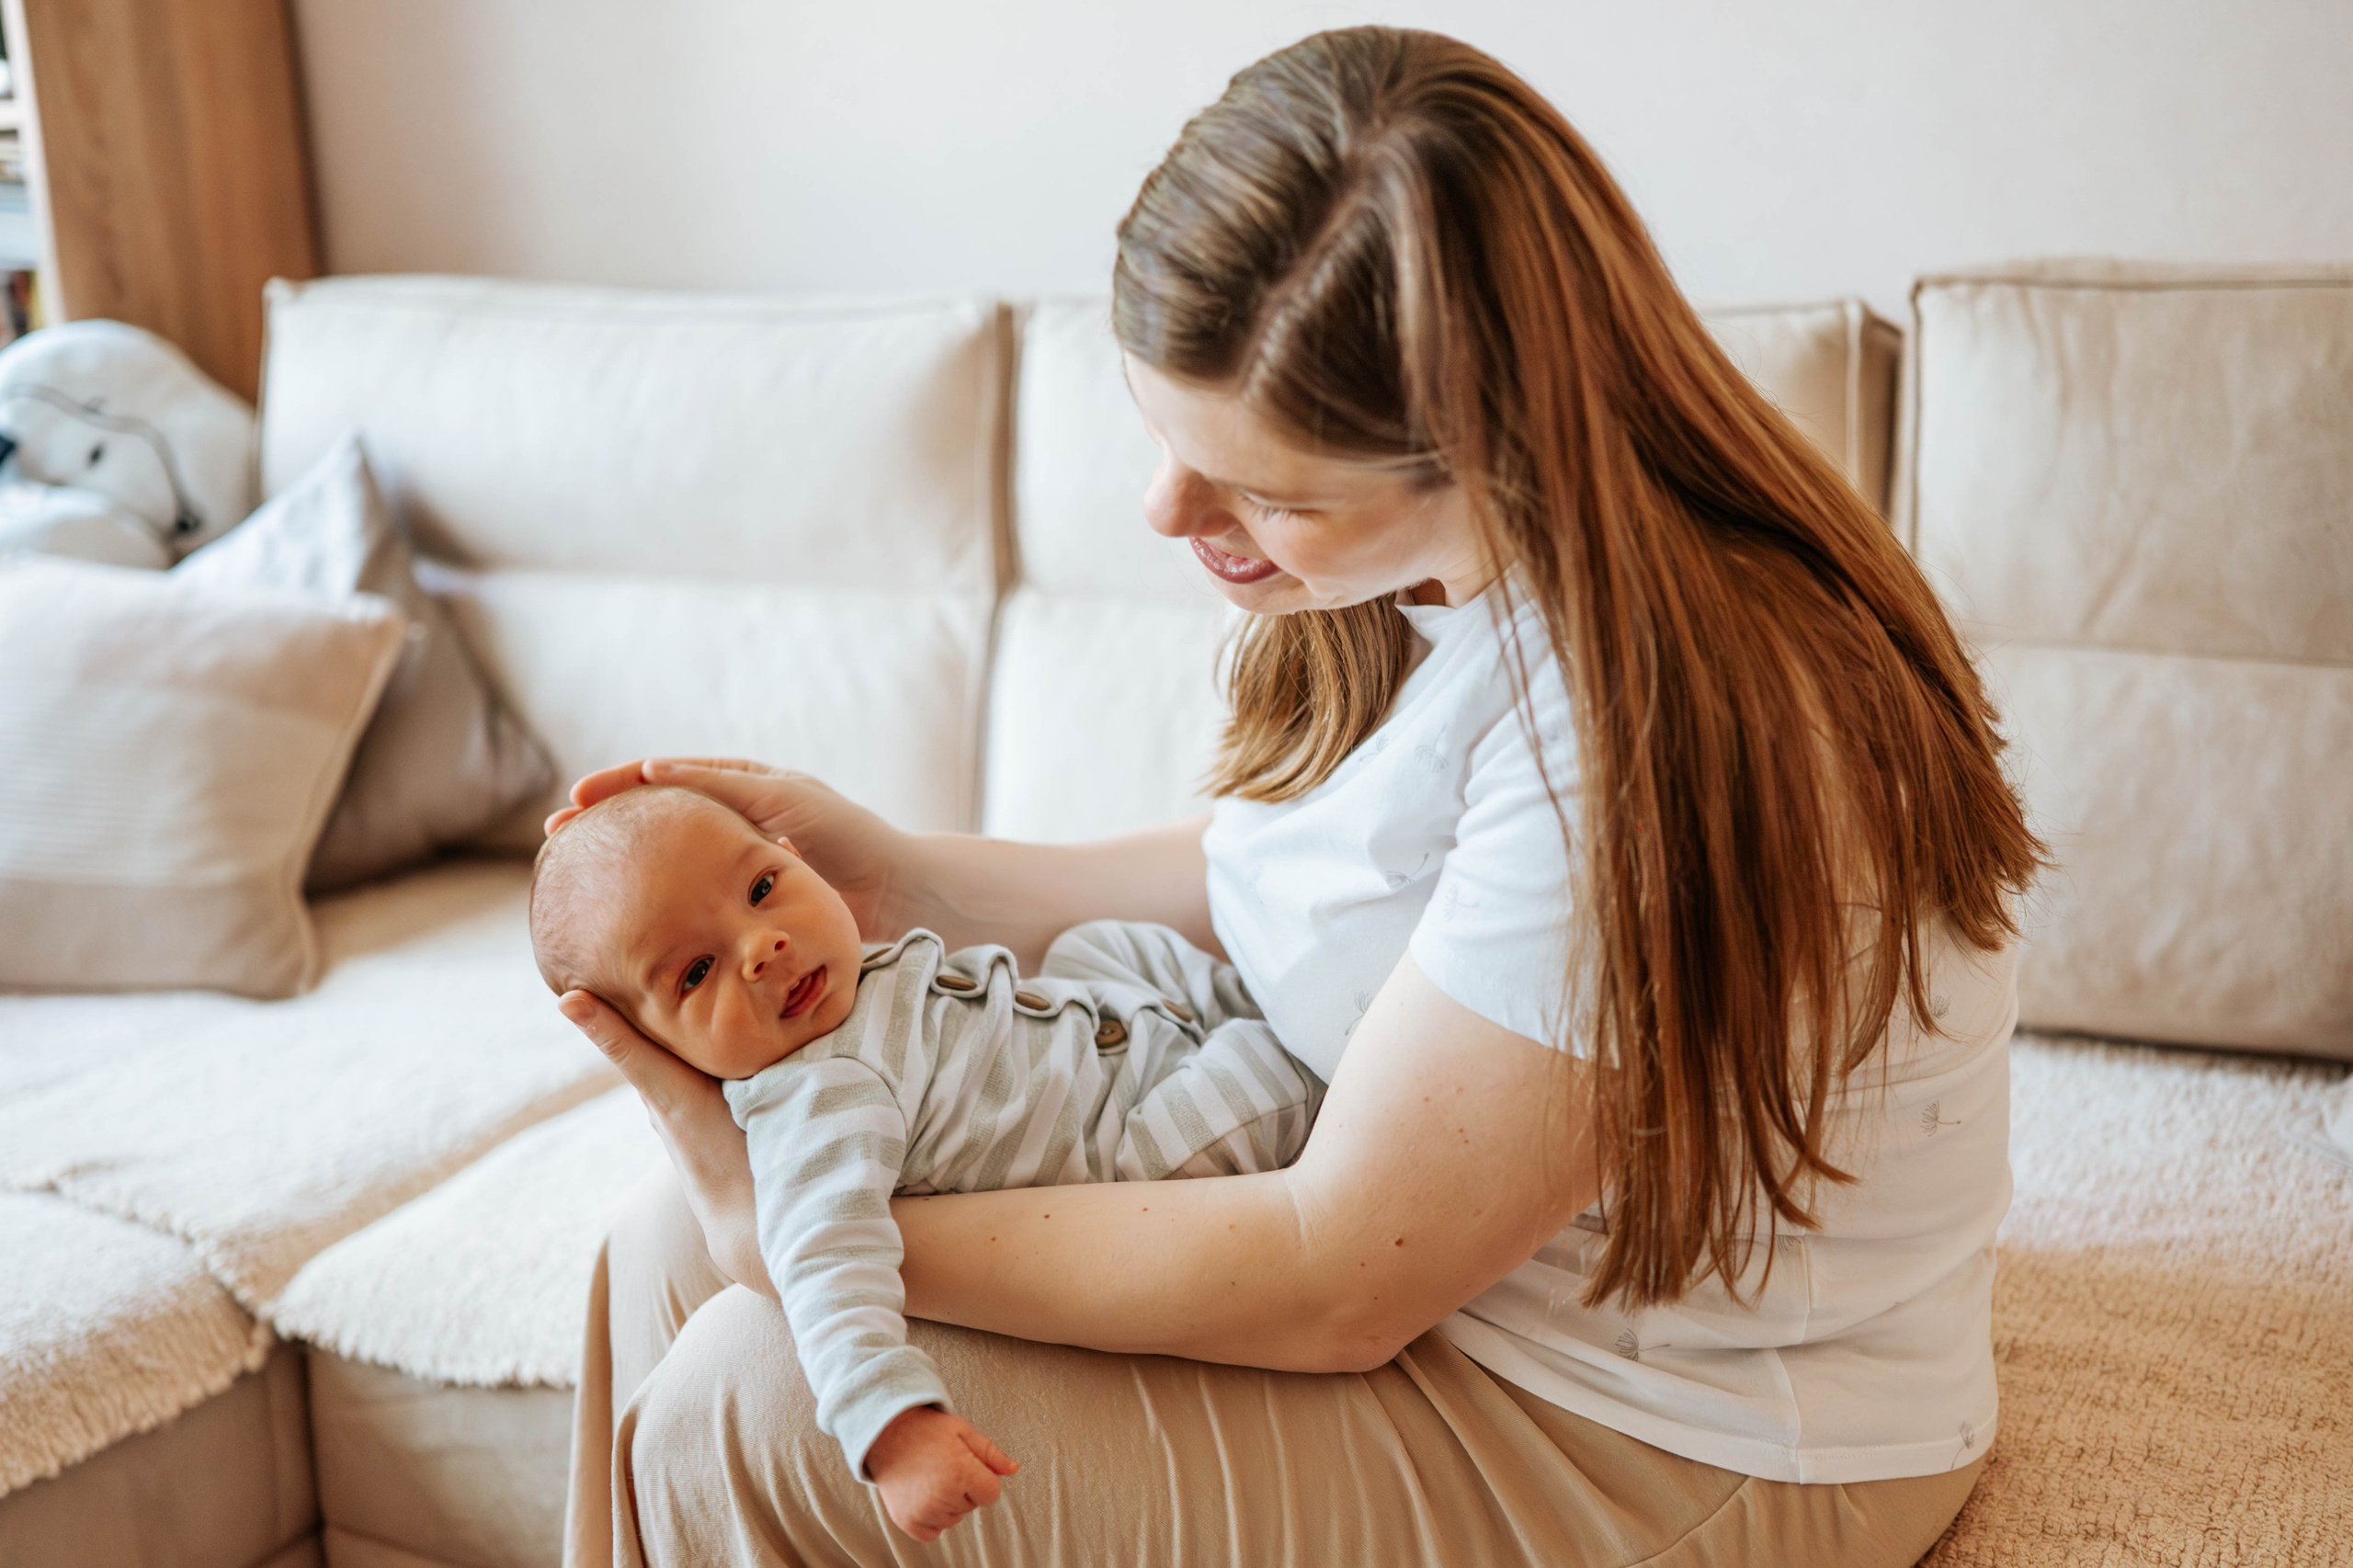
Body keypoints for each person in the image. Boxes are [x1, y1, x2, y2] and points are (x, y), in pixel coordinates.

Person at [554, 25, 2043, 1567]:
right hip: (1471, 1282)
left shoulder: (1642, 736)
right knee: (661, 1244)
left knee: (756, 1395)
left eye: (1264, 488)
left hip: (1670, 1421)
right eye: (1161, 429)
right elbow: (1309, 879)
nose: (1169, 509)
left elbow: (1340, 1276)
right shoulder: (1434, 570)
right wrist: (899, 875)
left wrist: (818, 1254)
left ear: (1488, 444)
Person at [527, 785, 1321, 1540]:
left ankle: (1239, 1001)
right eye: (697, 973)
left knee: (1094, 943)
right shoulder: (821, 1097)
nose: (762, 946)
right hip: (1135, 1144)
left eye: (763, 888)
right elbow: (825, 1267)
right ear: (654, 1051)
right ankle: (1300, 1038)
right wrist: (892, 1429)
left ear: (795, 855)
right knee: (1263, 1067)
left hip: (1107, 1035)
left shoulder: (844, 975)